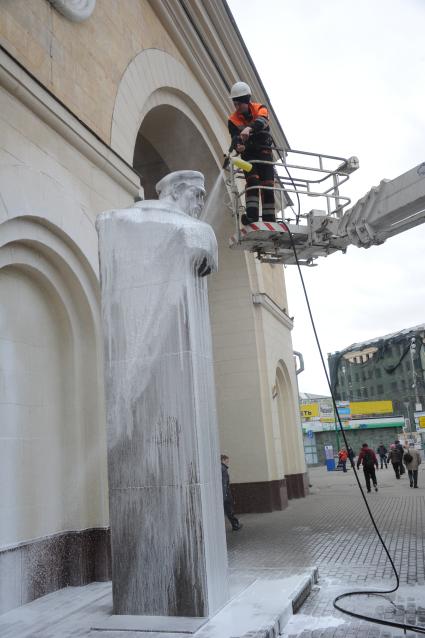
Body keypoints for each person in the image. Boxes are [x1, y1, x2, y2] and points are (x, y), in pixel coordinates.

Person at [228, 81, 275, 225]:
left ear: (246, 101)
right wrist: (238, 147)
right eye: (235, 104)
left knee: (267, 184)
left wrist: (249, 128)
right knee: (253, 181)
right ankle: (252, 217)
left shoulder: (260, 108)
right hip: (248, 155)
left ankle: (269, 219)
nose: (237, 107)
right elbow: (235, 139)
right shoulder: (232, 120)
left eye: (239, 104)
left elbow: (262, 120)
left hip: (264, 151)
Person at [221, 454, 242, 531]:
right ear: (223, 460)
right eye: (227, 461)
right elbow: (224, 483)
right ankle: (235, 525)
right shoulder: (223, 469)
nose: (227, 462)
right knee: (229, 510)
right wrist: (225, 495)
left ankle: (235, 524)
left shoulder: (222, 468)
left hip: (225, 493)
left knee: (229, 510)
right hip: (225, 494)